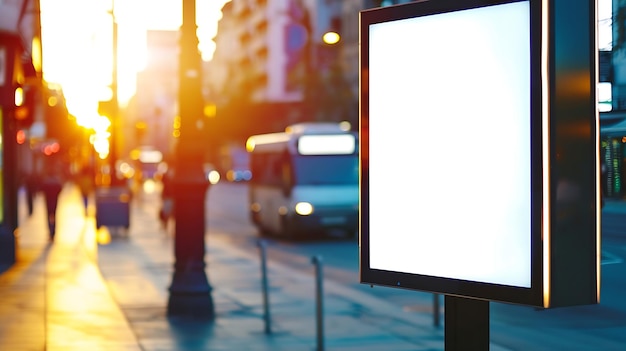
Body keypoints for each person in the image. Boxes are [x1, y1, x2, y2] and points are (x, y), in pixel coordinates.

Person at [40, 161, 64, 240]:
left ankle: (51, 231)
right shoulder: (56, 180)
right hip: (54, 200)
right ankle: (53, 231)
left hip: (48, 200)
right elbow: (60, 189)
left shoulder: (46, 180)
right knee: (54, 215)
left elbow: (42, 189)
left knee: (49, 216)